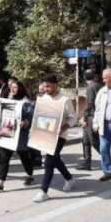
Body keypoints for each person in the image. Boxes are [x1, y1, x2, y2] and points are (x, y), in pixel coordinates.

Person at [34, 74, 76, 203]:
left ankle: (43, 191)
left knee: (49, 161)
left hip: (60, 136)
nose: (45, 88)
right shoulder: (43, 99)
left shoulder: (64, 100)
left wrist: (63, 128)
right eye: (44, 86)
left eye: (48, 86)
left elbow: (73, 117)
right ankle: (69, 178)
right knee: (55, 159)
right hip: (46, 134)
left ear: (55, 85)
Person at [0, 80, 35, 192]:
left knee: (24, 157)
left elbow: (31, 118)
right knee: (4, 157)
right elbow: (2, 113)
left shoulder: (25, 102)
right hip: (8, 134)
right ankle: (0, 183)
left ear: (20, 88)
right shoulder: (8, 100)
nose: (12, 89)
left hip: (20, 136)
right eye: (11, 87)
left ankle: (30, 175)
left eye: (15, 87)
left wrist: (25, 123)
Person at [76, 69, 102, 170]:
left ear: (84, 77)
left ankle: (106, 158)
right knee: (85, 141)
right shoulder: (98, 85)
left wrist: (84, 118)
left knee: (93, 141)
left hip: (91, 116)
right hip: (94, 115)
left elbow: (90, 104)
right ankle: (87, 163)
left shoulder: (90, 87)